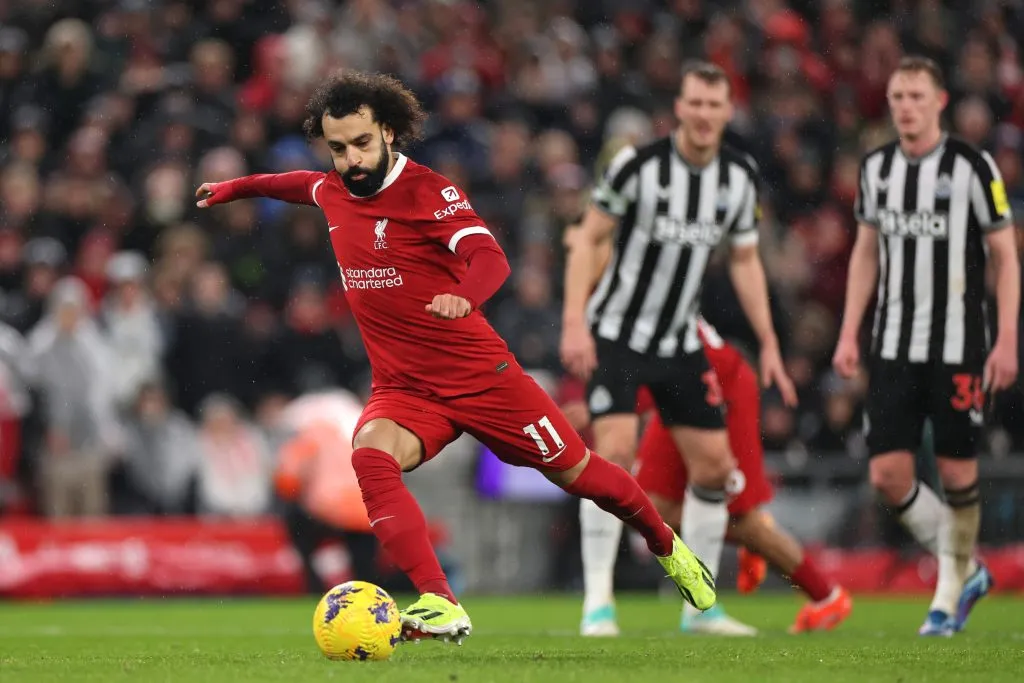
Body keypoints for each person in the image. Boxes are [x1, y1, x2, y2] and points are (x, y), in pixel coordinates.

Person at [196, 69, 715, 644]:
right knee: (369, 455)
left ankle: (669, 547)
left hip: (481, 379)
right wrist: (234, 189)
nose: (350, 161)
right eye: (338, 149)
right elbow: (292, 183)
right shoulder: (331, 189)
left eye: (362, 144)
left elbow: (491, 259)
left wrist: (462, 295)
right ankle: (441, 601)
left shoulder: (429, 192)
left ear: (388, 132)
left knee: (583, 475)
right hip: (405, 389)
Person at [560, 60, 796, 636]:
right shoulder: (636, 166)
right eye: (695, 103)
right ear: (680, 108)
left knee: (715, 468)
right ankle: (598, 604)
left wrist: (768, 339)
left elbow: (744, 260)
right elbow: (588, 237)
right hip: (616, 332)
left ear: (727, 110)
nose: (704, 114)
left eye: (715, 105)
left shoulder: (738, 178)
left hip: (677, 341)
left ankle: (700, 608)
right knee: (612, 456)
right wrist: (574, 322)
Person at [832, 56, 1019, 636]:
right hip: (891, 345)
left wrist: (1007, 337)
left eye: (915, 96)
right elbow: (866, 251)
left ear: (939, 101)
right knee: (887, 474)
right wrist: (847, 330)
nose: (905, 106)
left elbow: (1006, 256)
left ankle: (945, 597)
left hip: (959, 345)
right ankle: (966, 568)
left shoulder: (972, 166)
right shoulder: (877, 168)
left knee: (958, 472)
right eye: (896, 97)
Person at [633, 318, 853, 636]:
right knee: (652, 511)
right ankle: (745, 546)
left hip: (720, 380)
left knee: (742, 520)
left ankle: (826, 597)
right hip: (675, 385)